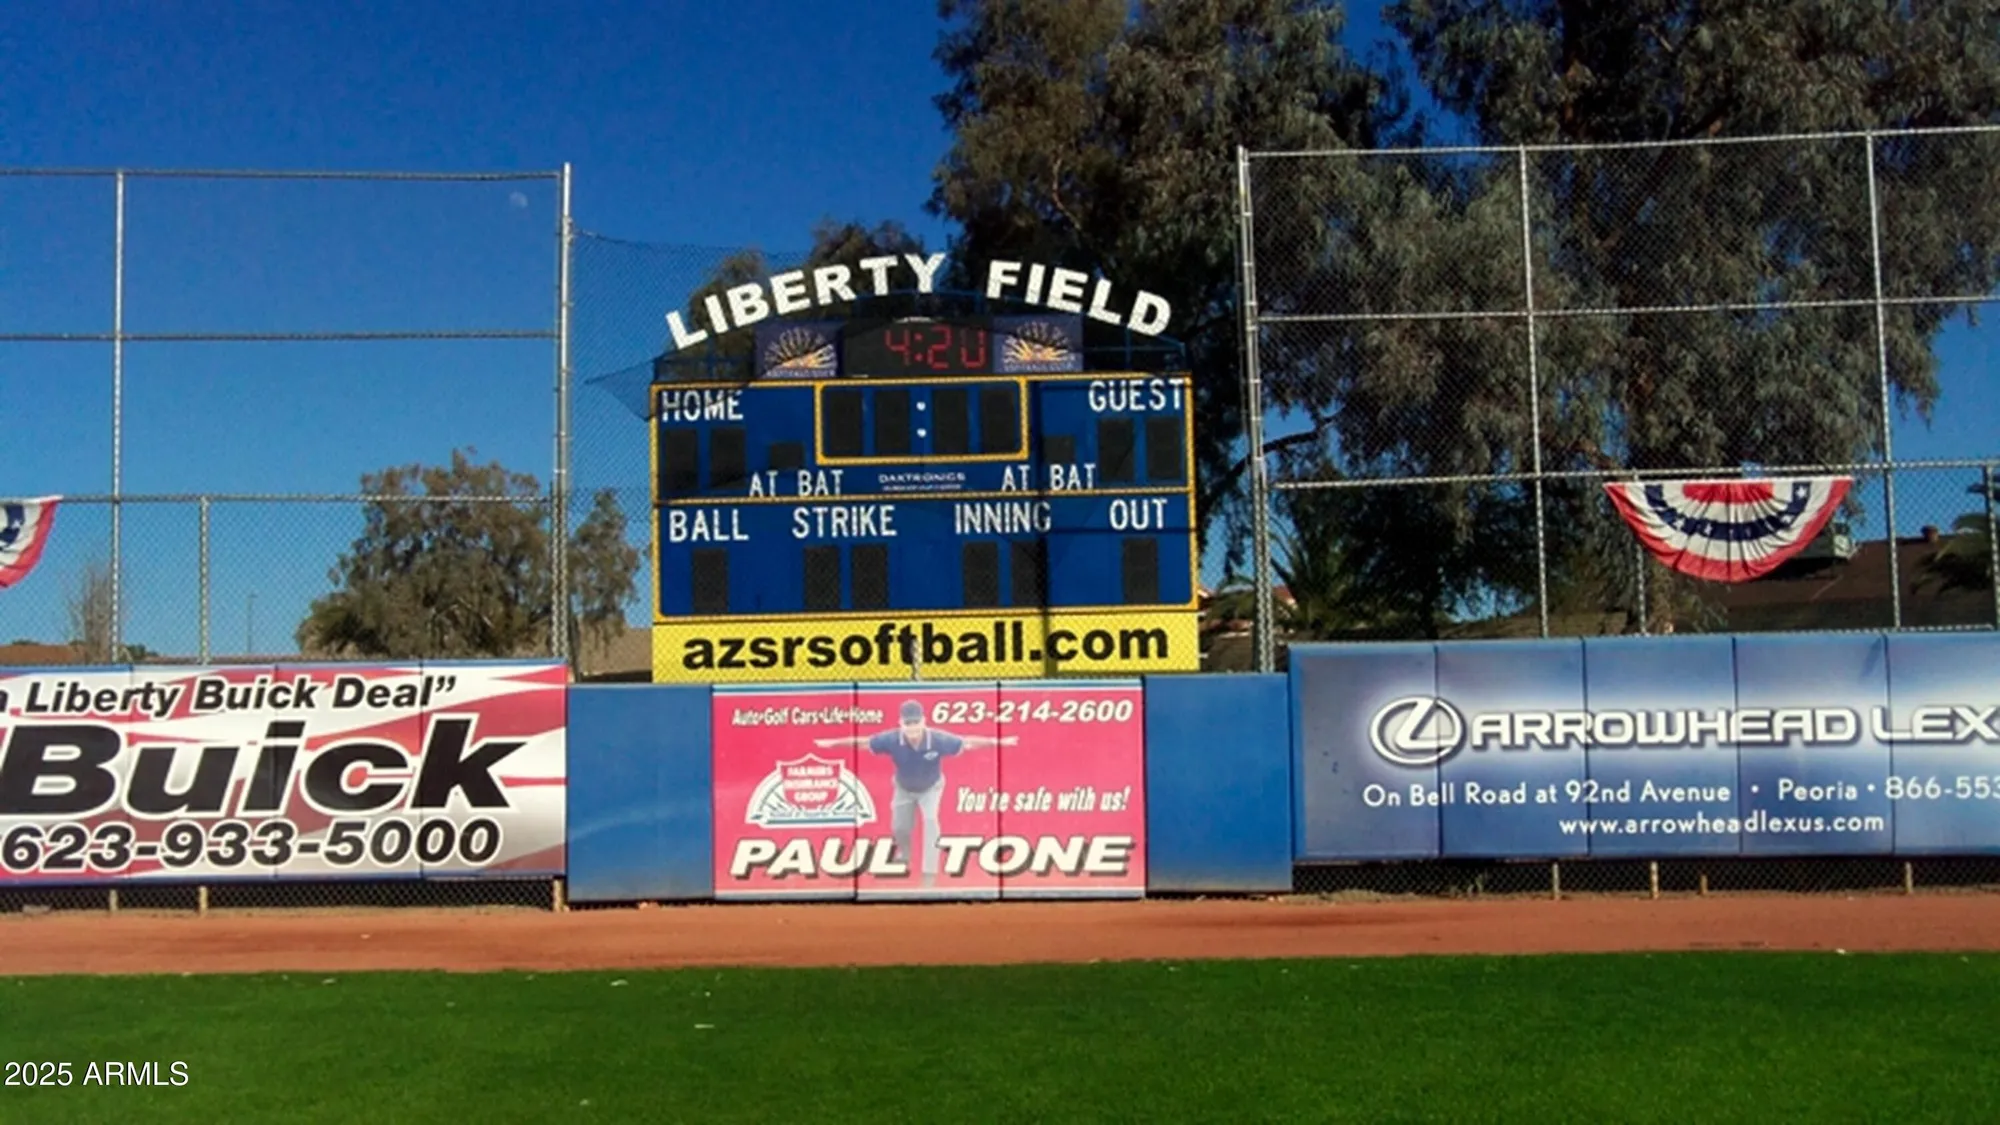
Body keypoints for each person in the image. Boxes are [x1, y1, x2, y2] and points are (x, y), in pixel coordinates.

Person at [813, 700, 1014, 888]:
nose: (912, 728)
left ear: (923, 721)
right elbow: (863, 743)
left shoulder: (938, 739)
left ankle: (929, 873)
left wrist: (997, 741)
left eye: (916, 722)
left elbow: (968, 743)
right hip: (904, 788)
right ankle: (905, 854)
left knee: (930, 820)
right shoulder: (892, 739)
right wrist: (833, 743)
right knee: (900, 827)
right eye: (908, 723)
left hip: (931, 787)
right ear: (901, 723)